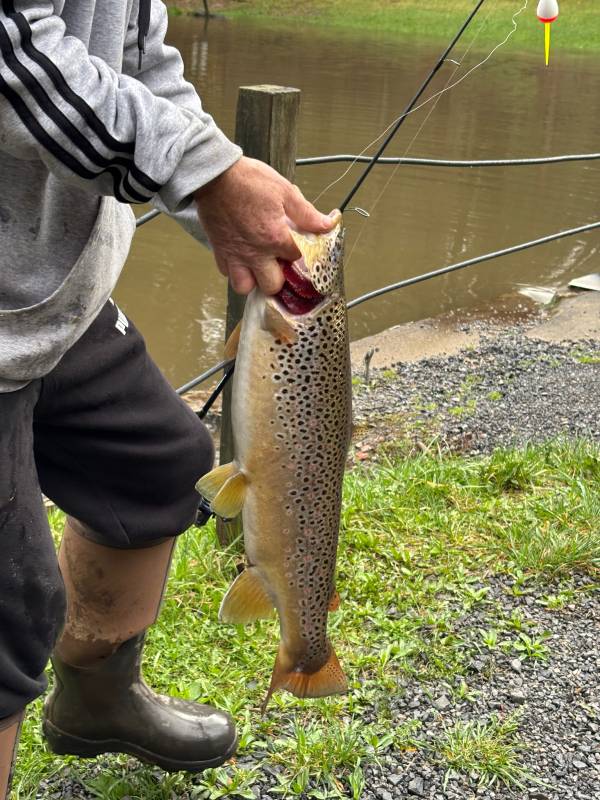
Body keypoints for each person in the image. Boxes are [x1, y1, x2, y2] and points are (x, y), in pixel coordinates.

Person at [0, 0, 335, 794]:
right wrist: (209, 172)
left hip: (51, 299)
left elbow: (138, 61)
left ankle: (96, 695)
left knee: (160, 467)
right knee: (10, 610)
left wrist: (218, 195)